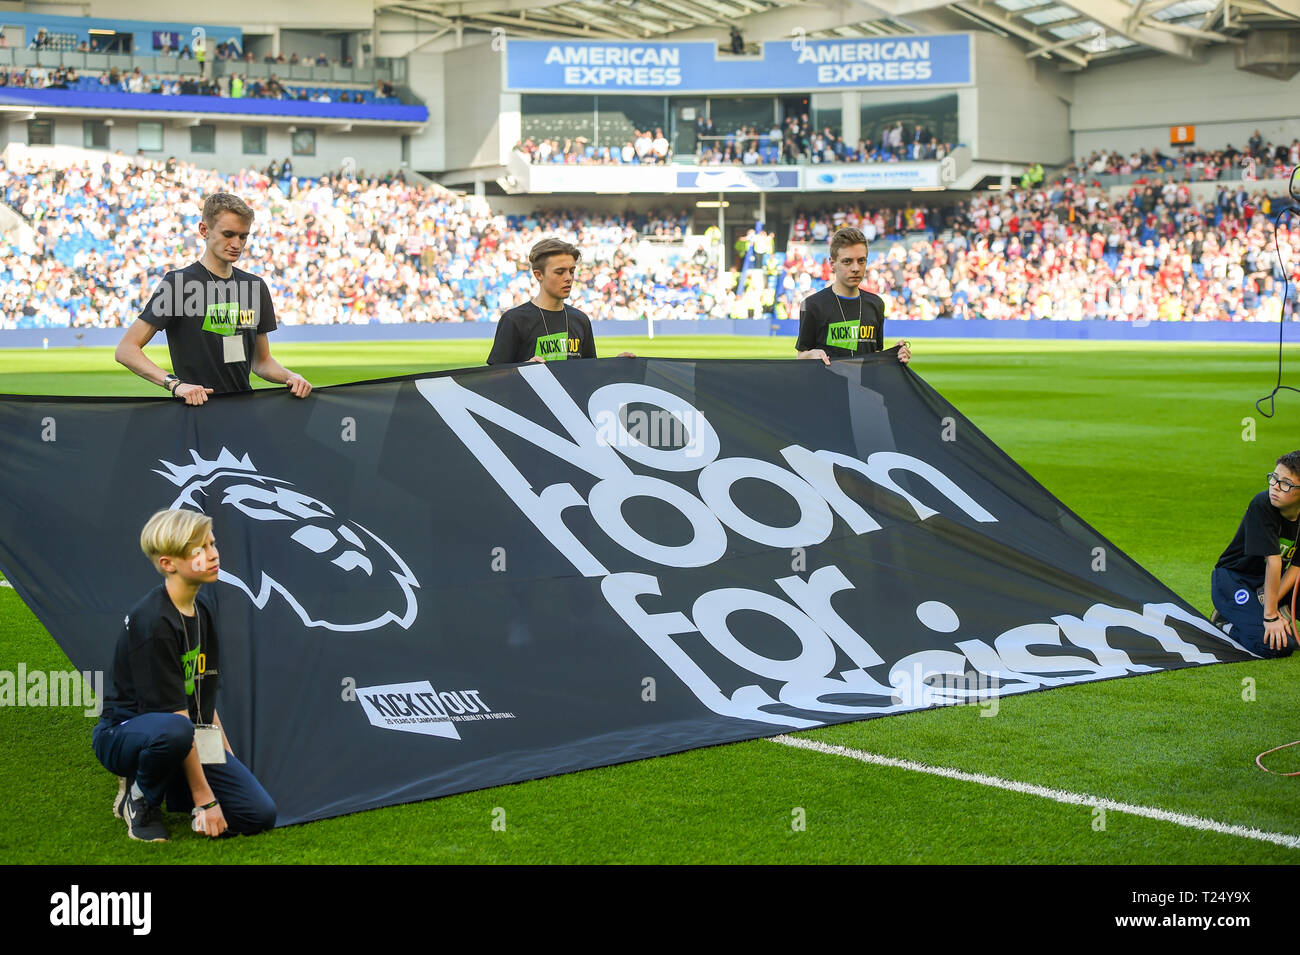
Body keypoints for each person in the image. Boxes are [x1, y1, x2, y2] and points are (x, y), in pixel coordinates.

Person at [92, 509, 276, 841]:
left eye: (212, 543)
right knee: (175, 729)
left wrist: (229, 768)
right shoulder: (154, 622)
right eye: (199, 550)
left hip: (179, 731)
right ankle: (138, 797)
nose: (213, 554)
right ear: (168, 563)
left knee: (258, 814)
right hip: (125, 734)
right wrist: (206, 800)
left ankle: (174, 786)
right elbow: (178, 716)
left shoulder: (202, 608)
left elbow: (203, 705)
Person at [114, 193, 311, 405]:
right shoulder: (178, 284)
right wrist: (175, 384)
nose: (237, 244)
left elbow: (261, 362)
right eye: (228, 234)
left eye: (243, 236)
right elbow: (126, 350)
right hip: (197, 412)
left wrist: (291, 376)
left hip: (244, 411)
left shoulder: (255, 287)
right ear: (204, 230)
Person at [487, 237, 633, 365]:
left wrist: (616, 366)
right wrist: (524, 369)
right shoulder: (514, 320)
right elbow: (495, 378)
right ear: (538, 275)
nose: (568, 277)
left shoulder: (580, 320)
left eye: (571, 271)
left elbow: (589, 374)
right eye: (559, 272)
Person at [1211, 452, 1300, 658]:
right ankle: (1223, 624)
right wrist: (1269, 616)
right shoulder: (1263, 504)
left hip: (1266, 586)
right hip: (1234, 580)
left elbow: (1296, 566)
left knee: (1279, 636)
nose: (1275, 487)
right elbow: (1274, 562)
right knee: (1277, 646)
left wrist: (1277, 606)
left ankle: (1281, 615)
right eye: (1274, 478)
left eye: (1286, 484)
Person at [796, 227, 911, 365]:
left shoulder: (876, 304)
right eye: (847, 261)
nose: (856, 268)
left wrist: (894, 356)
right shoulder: (812, 305)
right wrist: (811, 354)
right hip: (827, 385)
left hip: (865, 386)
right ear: (832, 264)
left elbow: (874, 355)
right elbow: (801, 356)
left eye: (861, 261)